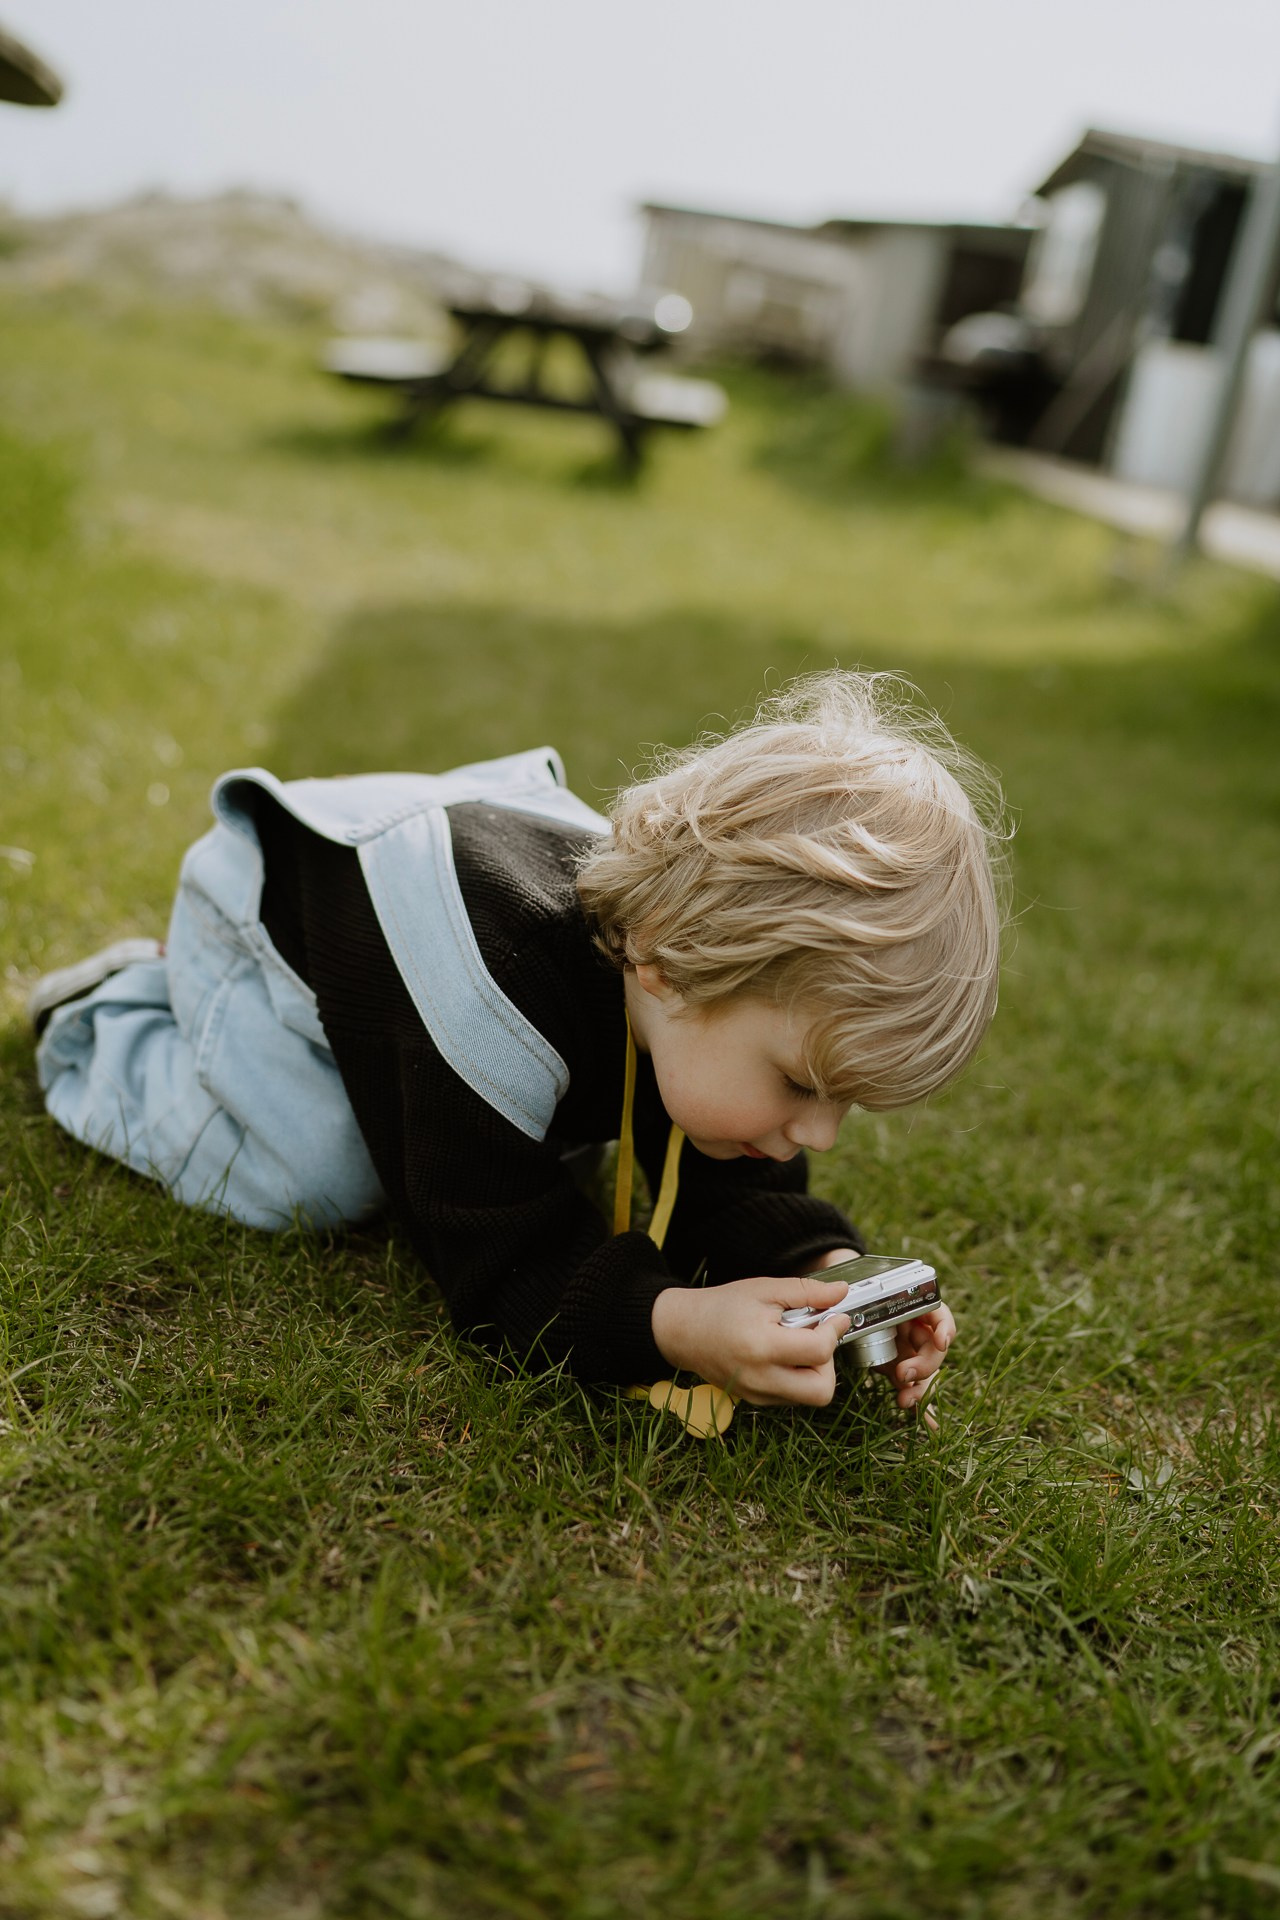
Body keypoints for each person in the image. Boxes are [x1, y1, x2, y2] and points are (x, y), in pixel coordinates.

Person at [29, 671, 1007, 1414]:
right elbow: (497, 1259)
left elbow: (731, 1182)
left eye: (841, 1100)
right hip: (262, 929)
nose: (820, 1131)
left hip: (435, 901)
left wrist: (829, 1273)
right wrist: (675, 1326)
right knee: (324, 1172)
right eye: (797, 1083)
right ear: (667, 965)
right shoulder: (487, 997)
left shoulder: (681, 981)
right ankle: (112, 1010)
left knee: (553, 1134)